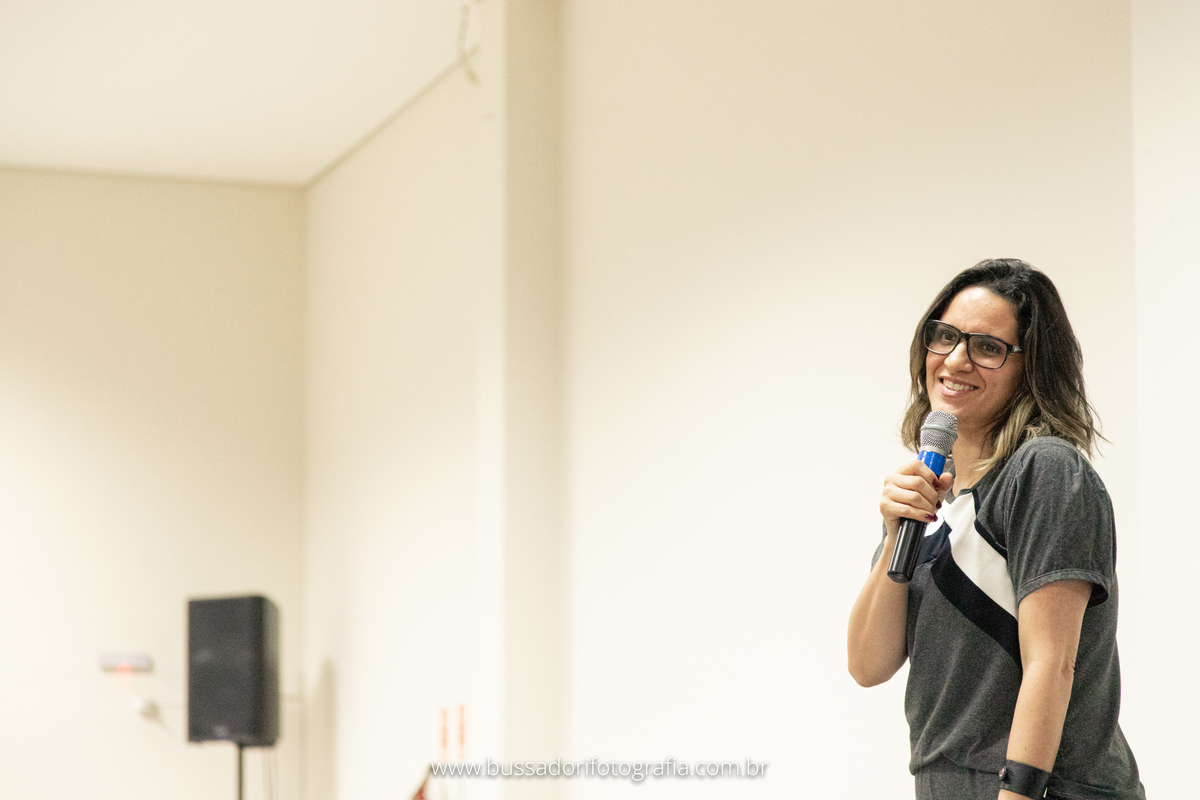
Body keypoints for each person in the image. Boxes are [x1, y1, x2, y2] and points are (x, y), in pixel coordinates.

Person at [847, 259, 1145, 800]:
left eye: (987, 347)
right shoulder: (931, 500)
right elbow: (869, 665)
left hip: (1044, 789)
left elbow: (1051, 663)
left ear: (1031, 369)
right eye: (945, 336)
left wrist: (1016, 794)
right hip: (945, 784)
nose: (956, 359)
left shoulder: (1044, 470)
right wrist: (893, 537)